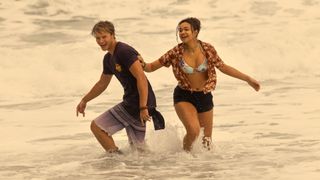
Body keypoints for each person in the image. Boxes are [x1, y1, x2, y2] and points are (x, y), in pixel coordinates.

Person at [139, 17, 260, 151]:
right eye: (180, 30)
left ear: (195, 32)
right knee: (194, 131)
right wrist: (141, 63)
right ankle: (184, 158)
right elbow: (150, 67)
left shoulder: (207, 49)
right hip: (184, 95)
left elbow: (223, 67)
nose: (182, 33)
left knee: (206, 141)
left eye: (186, 29)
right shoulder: (175, 52)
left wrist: (247, 79)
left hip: (204, 95)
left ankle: (201, 169)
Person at [76, 20, 164, 153]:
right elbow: (102, 83)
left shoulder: (124, 51)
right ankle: (148, 169)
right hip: (137, 102)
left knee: (97, 127)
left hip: (137, 103)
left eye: (104, 37)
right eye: (97, 38)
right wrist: (85, 100)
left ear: (112, 35)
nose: (101, 41)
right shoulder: (108, 59)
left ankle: (116, 160)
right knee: (138, 151)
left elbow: (141, 78)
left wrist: (143, 107)